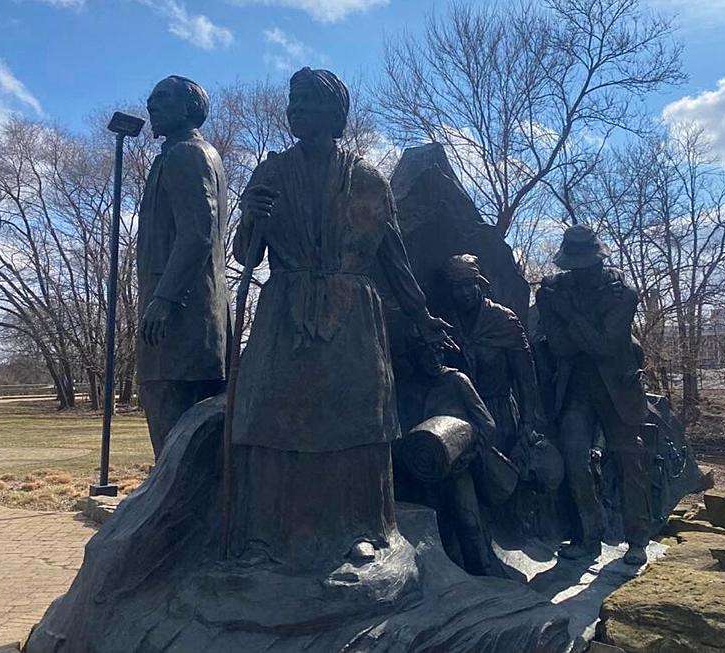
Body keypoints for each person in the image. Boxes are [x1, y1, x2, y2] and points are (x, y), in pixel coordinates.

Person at [228, 68, 453, 569]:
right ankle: (263, 535)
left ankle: (360, 527)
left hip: (352, 314)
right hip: (285, 308)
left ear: (335, 114)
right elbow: (245, 255)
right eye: (293, 100)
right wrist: (252, 217)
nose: (295, 109)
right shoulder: (269, 174)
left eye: (307, 101)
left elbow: (393, 258)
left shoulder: (369, 181)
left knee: (355, 423)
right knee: (270, 419)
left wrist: (422, 316)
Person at [536, 225, 652, 566]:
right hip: (575, 389)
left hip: (618, 387)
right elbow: (558, 346)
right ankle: (589, 535)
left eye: (587, 264)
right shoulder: (552, 293)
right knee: (575, 460)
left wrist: (569, 315)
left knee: (631, 460)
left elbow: (606, 346)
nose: (582, 272)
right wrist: (576, 327)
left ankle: (638, 539)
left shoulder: (623, 294)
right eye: (575, 266)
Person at [136, 75, 229, 459]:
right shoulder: (179, 155)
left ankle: (176, 518)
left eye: (161, 98)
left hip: (181, 326)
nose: (151, 105)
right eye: (151, 96)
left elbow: (196, 234)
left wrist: (164, 299)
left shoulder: (187, 154)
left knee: (177, 446)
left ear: (189, 108)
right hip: (191, 325)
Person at [395, 336, 507, 577]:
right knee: (436, 530)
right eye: (427, 352)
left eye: (439, 352)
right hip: (422, 473)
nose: (435, 358)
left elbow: (487, 424)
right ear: (415, 356)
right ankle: (451, 579)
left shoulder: (456, 381)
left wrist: (469, 454)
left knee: (469, 522)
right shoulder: (406, 388)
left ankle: (484, 576)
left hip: (458, 469)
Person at [442, 254, 543, 456]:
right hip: (459, 415)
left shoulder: (504, 321)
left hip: (500, 413)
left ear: (479, 284)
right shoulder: (445, 323)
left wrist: (528, 422)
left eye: (469, 285)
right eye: (457, 287)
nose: (464, 293)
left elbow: (526, 378)